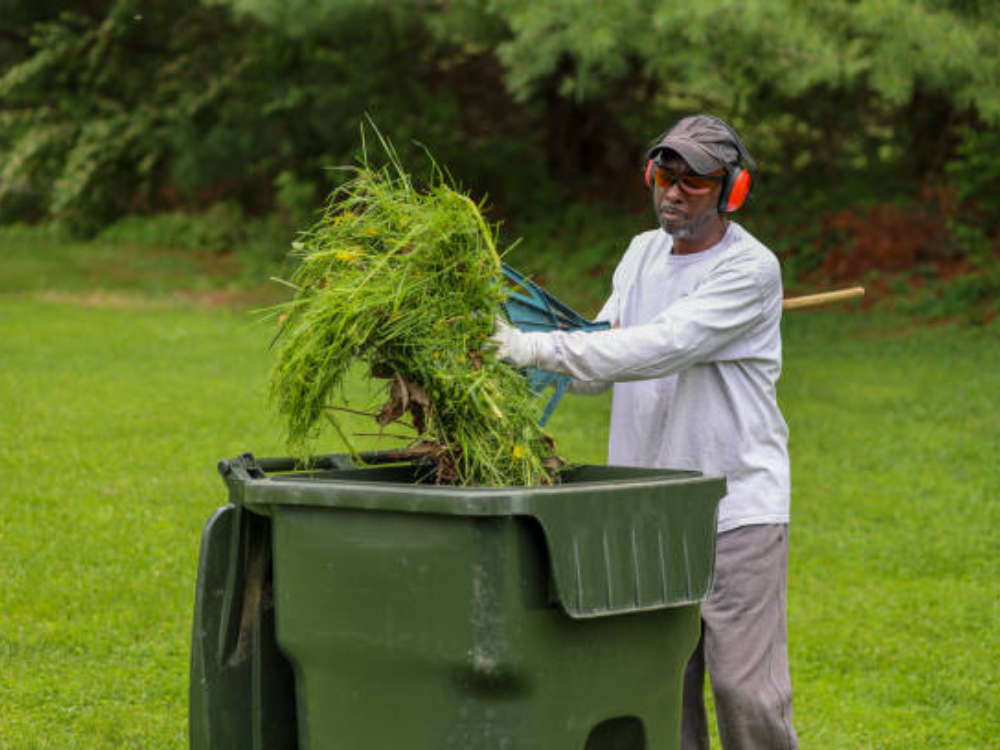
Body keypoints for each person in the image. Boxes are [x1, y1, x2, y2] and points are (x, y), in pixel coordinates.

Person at [490, 114, 798, 749]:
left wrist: (532, 348)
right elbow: (605, 356)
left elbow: (661, 346)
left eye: (694, 181)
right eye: (665, 175)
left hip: (734, 507)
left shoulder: (751, 270)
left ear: (732, 191)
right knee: (660, 690)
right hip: (651, 509)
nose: (674, 192)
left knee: (745, 692)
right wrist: (516, 356)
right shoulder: (640, 253)